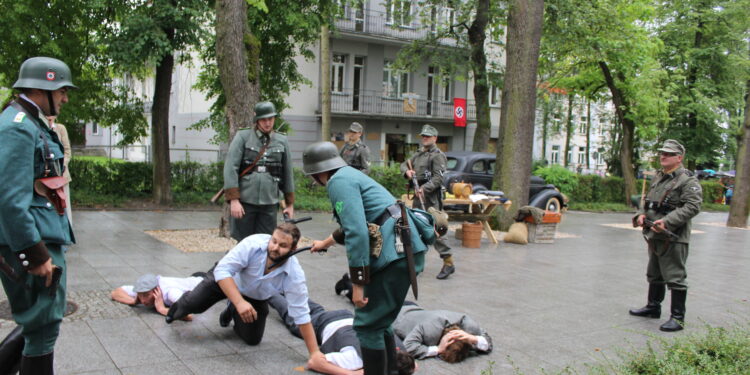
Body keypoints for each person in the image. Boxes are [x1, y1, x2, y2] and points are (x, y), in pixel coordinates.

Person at [304, 141, 431, 375]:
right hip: (403, 250)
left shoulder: (337, 182)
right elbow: (360, 222)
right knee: (379, 322)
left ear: (320, 171)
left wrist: (358, 285)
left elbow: (357, 232)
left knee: (367, 325)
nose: (315, 180)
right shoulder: (349, 174)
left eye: (313, 175)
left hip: (395, 255)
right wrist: (325, 243)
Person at [0, 56, 77, 375]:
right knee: (42, 329)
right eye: (61, 89)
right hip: (32, 243)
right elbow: (9, 199)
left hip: (42, 234)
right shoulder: (17, 127)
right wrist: (35, 254)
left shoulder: (30, 122)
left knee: (39, 323)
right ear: (41, 88)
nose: (64, 97)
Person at [165, 223, 322, 361]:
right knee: (194, 303)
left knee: (252, 339)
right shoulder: (253, 244)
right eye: (273, 241)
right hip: (226, 278)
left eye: (282, 246)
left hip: (254, 296)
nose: (274, 248)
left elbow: (301, 313)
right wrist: (239, 302)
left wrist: (314, 352)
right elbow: (223, 270)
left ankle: (232, 309)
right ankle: (175, 311)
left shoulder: (294, 274)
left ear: (293, 249)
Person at [630, 139, 702, 332]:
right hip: (654, 235)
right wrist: (640, 214)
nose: (663, 156)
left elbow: (693, 206)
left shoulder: (687, 180)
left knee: (675, 276)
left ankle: (678, 318)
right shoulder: (660, 177)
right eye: (662, 153)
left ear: (679, 158)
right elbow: (647, 201)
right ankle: (653, 307)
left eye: (669, 154)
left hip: (673, 236)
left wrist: (668, 221)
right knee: (654, 273)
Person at [268, 293, 416, 375]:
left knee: (313, 308)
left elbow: (414, 366)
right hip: (324, 325)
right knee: (293, 317)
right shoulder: (355, 359)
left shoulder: (397, 347)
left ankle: (286, 287)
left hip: (346, 317)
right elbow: (314, 362)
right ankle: (267, 291)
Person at [223, 101, 295, 241]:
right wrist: (234, 200)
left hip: (269, 201)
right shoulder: (243, 137)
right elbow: (231, 168)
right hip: (245, 201)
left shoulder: (282, 140)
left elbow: (287, 173)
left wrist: (290, 204)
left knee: (265, 243)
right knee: (243, 244)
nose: (267, 123)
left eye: (271, 119)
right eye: (264, 119)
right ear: (257, 120)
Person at [400, 124, 454, 280]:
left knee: (435, 228)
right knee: (417, 228)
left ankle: (449, 262)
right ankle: (417, 262)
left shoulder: (438, 155)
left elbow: (439, 178)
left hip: (430, 197)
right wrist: (407, 172)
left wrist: (424, 188)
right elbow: (404, 164)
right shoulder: (418, 154)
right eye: (423, 136)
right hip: (418, 195)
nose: (425, 138)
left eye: (428, 136)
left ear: (435, 138)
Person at [393, 301, 493, 362]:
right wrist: (438, 349)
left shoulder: (468, 327)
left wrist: (473, 338)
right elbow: (407, 347)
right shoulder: (429, 330)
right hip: (395, 314)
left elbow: (488, 342)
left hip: (414, 309)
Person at [110, 273, 204, 319]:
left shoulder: (171, 292)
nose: (143, 301)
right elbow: (115, 292)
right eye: (140, 295)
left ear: (156, 290)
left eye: (146, 295)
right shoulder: (144, 289)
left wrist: (162, 309)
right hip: (191, 279)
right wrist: (132, 301)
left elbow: (189, 315)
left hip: (206, 283)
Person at [48, 116, 73, 226]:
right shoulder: (39, 127)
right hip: (46, 176)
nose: (49, 116)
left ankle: (67, 228)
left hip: (61, 175)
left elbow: (67, 150)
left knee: (64, 203)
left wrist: (62, 164)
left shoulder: (60, 128)